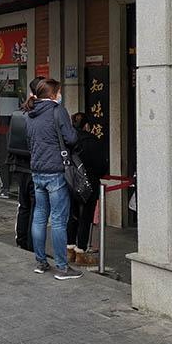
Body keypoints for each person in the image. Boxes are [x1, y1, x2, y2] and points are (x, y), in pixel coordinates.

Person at [25, 78, 83, 280]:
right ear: (52, 95)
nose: (60, 95)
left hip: (37, 170)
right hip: (56, 171)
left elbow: (29, 141)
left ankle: (41, 263)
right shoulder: (58, 111)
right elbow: (71, 138)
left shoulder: (30, 113)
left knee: (40, 216)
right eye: (58, 92)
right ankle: (62, 267)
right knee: (58, 220)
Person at [6, 76, 44, 252]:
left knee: (24, 206)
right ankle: (32, 246)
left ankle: (22, 241)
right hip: (35, 167)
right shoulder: (42, 114)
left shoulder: (20, 112)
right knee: (37, 209)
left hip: (19, 166)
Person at [67, 112, 108, 266]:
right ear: (86, 126)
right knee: (86, 217)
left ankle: (69, 249)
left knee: (71, 215)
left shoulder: (67, 140)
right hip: (89, 184)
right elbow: (102, 167)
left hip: (70, 183)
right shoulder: (93, 141)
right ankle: (80, 252)